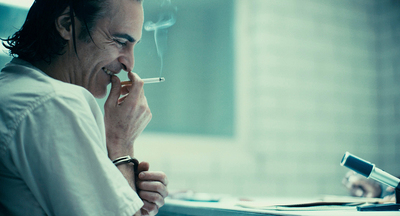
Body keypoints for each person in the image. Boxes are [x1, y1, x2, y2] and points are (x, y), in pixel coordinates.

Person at [0, 0, 168, 215]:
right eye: (119, 41)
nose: (130, 64)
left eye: (133, 46)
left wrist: (124, 193)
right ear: (67, 24)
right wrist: (120, 144)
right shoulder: (54, 104)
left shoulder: (13, 88)